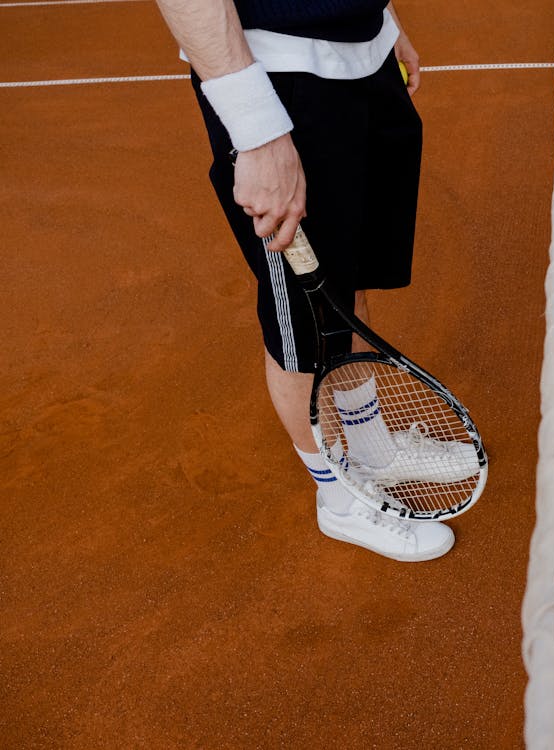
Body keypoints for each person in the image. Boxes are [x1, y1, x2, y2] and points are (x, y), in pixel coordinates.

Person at [154, 0, 455, 561]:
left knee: (347, 275)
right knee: (300, 314)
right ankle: (339, 500)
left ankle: (372, 453)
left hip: (359, 56)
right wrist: (255, 128)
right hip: (276, 79)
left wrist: (382, 24)